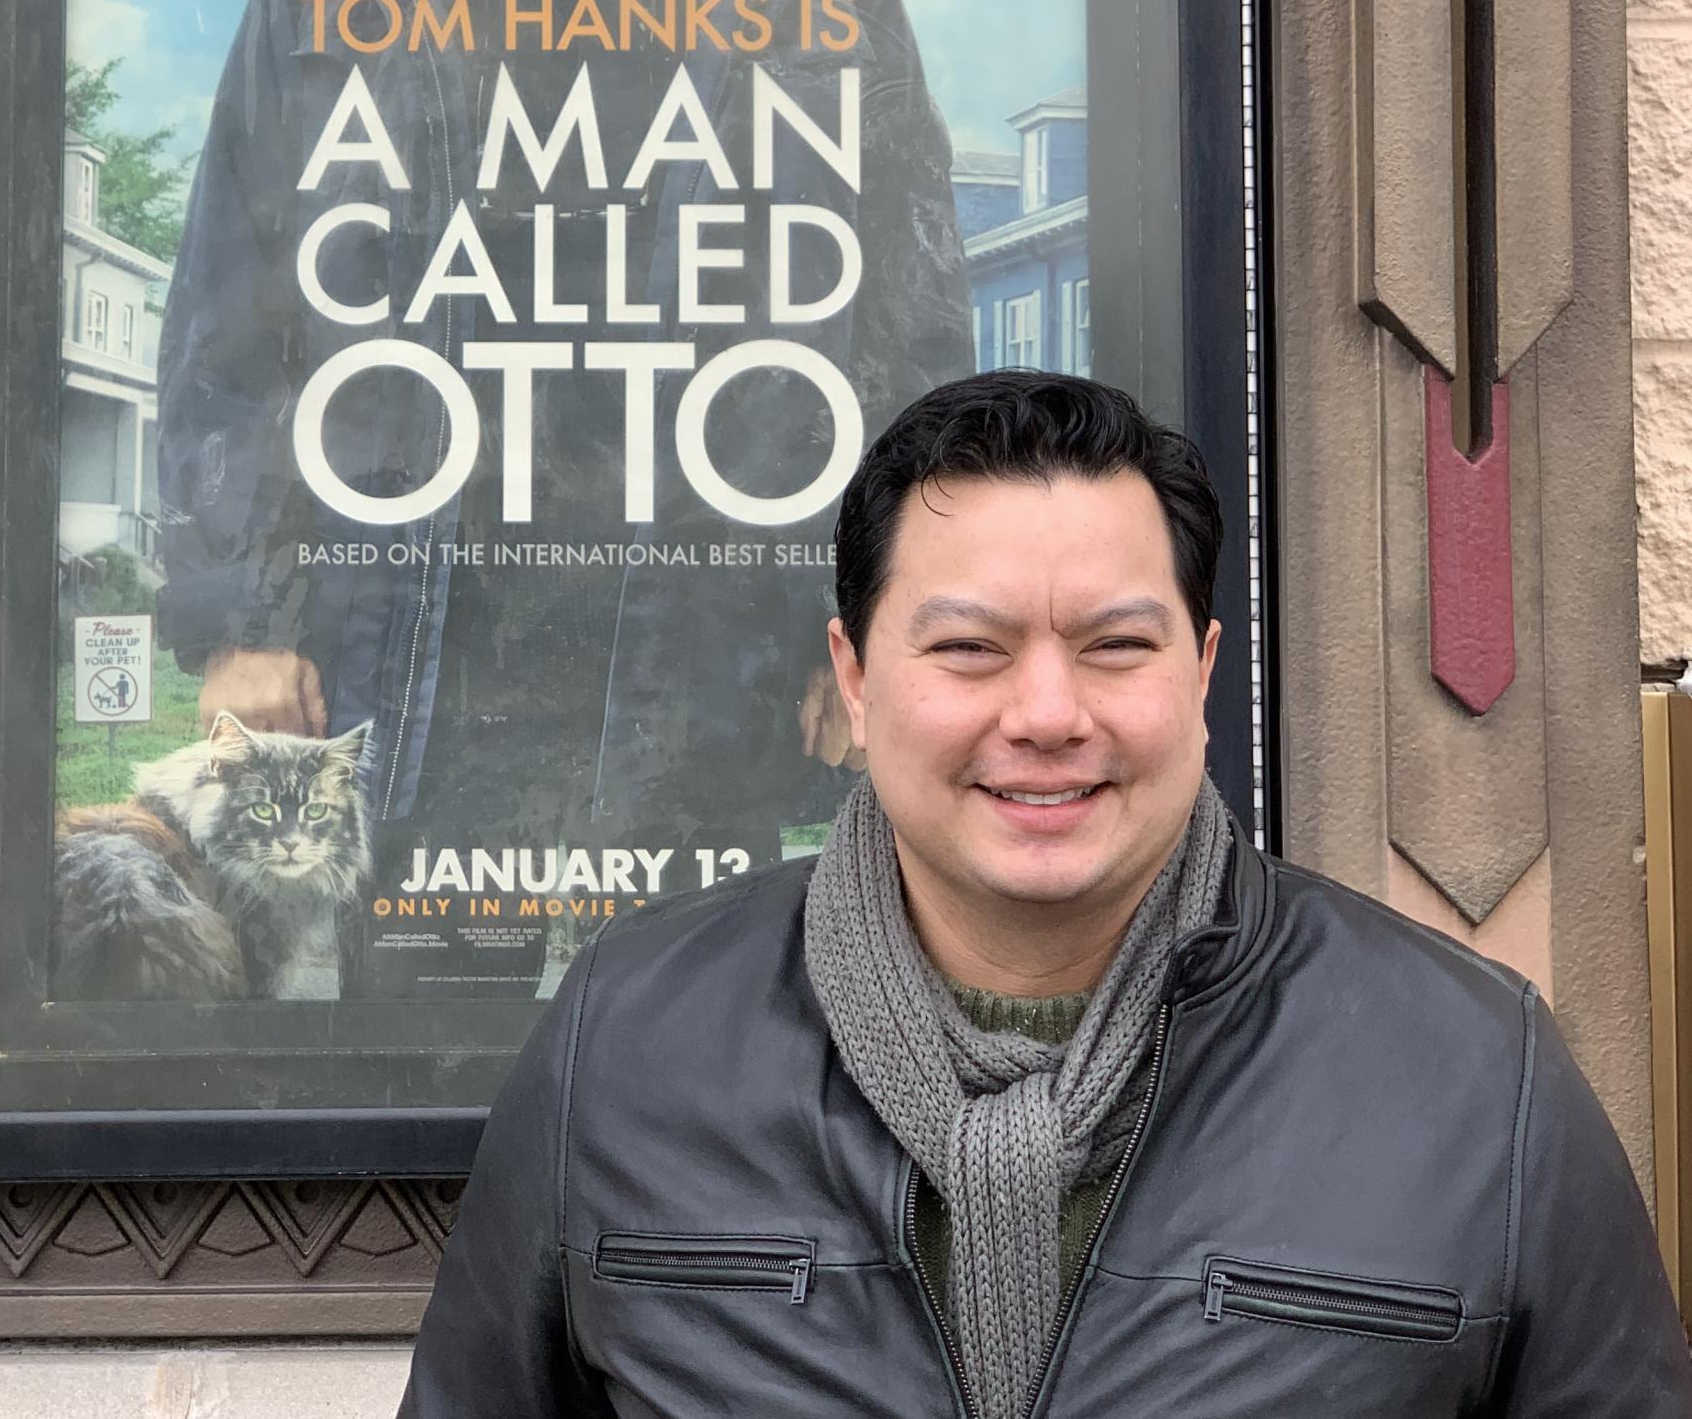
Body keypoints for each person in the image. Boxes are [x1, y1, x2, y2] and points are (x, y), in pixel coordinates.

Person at [397, 370, 1692, 1415]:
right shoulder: (629, 1043)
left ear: (1200, 669)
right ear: (853, 679)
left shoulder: (1471, 1073)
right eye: (970, 650)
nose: (1049, 715)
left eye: (1117, 648)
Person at [154, 0, 969, 985]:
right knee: (419, 1072)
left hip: (701, 647)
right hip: (416, 650)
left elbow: (904, 323)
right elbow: (231, 314)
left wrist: (877, 618)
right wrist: (236, 618)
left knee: (701, 1079)